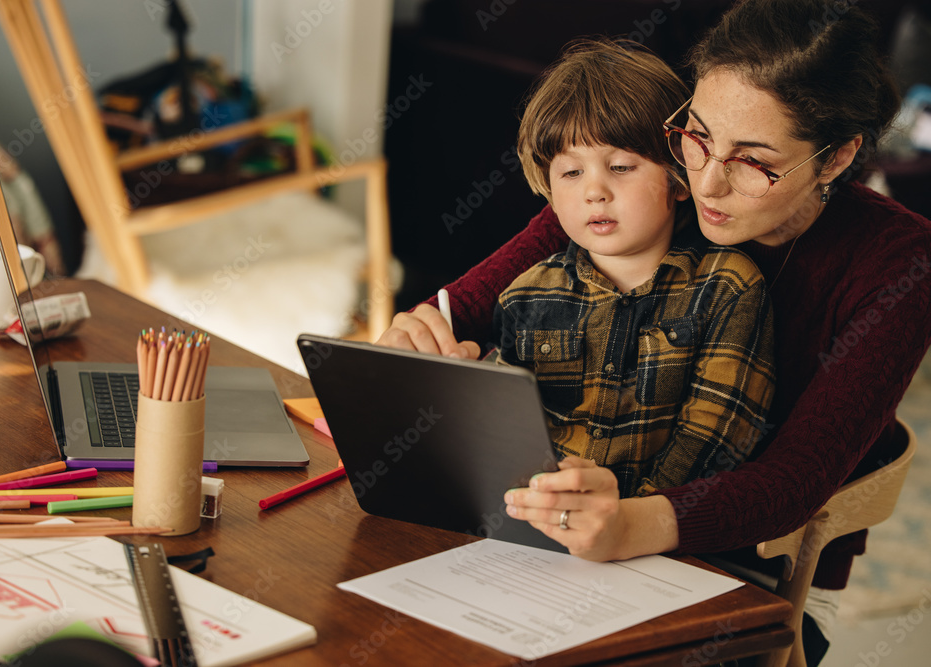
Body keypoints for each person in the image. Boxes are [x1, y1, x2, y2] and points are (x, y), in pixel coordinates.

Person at [376, 1, 931, 663]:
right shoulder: (658, 179)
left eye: (753, 162)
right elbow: (461, 304)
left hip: (753, 568)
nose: (706, 182)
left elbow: (796, 479)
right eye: (695, 136)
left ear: (836, 157)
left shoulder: (901, 262)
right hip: (579, 522)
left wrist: (632, 519)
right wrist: (414, 332)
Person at [492, 39, 774, 499]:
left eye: (621, 166)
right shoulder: (524, 297)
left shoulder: (727, 286)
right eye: (570, 173)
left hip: (658, 528)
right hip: (544, 514)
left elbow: (719, 433)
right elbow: (504, 426)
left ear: (680, 175)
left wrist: (637, 514)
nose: (595, 191)